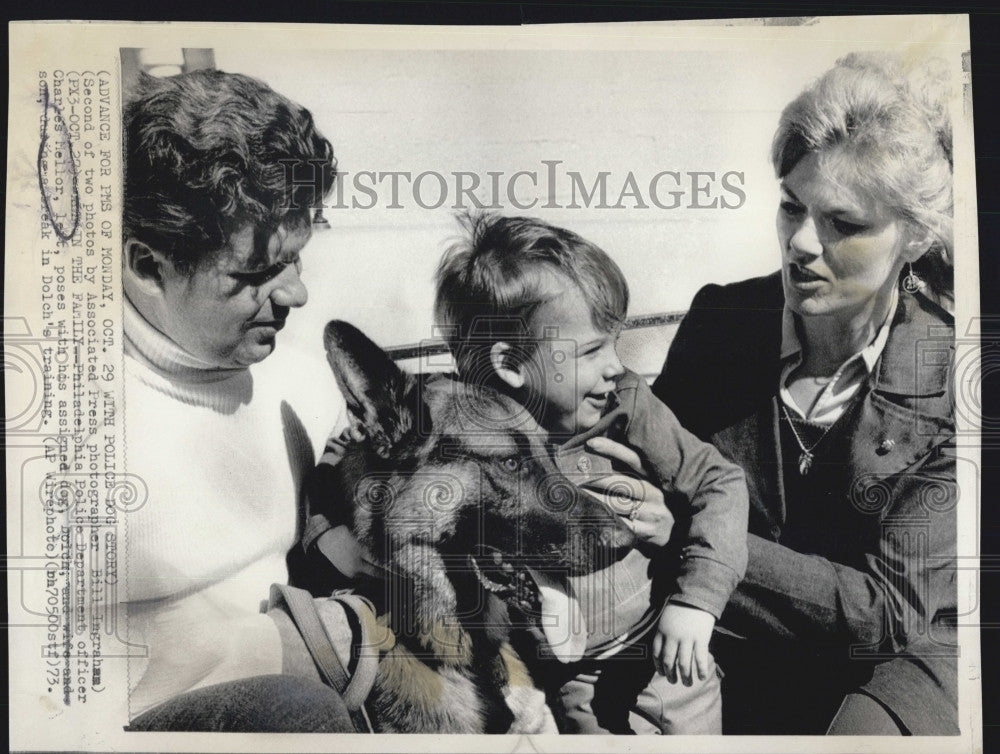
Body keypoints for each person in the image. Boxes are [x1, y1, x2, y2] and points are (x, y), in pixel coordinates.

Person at [307, 212, 749, 734]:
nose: (615, 364)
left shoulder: (622, 400)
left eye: (615, 342)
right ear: (510, 365)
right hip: (575, 677)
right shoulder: (458, 413)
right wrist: (328, 538)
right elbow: (345, 459)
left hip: (668, 653)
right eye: (589, 349)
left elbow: (718, 480)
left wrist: (696, 599)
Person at [653, 52, 958, 735]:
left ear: (913, 239)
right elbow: (649, 481)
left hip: (895, 666)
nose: (799, 243)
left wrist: (715, 542)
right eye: (792, 206)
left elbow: (886, 615)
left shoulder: (952, 380)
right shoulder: (721, 324)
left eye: (843, 225)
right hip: (724, 641)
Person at [120, 69, 352, 730]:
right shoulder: (56, 424)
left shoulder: (306, 388)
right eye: (255, 273)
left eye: (296, 261)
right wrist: (296, 650)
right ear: (145, 264)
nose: (295, 297)